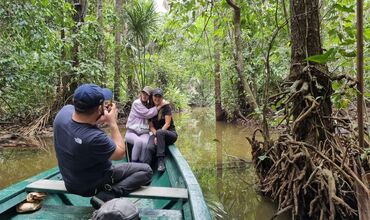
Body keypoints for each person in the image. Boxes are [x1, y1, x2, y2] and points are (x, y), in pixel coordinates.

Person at [53, 84, 153, 209]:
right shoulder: (95, 137)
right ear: (98, 109)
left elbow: (81, 122)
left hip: (70, 183)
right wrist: (112, 123)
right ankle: (109, 193)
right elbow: (120, 152)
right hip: (91, 187)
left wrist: (97, 119)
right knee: (146, 171)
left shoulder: (63, 113)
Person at [125, 86, 167, 164]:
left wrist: (163, 103)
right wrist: (159, 106)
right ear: (141, 93)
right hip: (131, 132)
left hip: (143, 132)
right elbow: (147, 114)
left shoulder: (149, 105)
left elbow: (161, 100)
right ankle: (133, 164)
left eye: (147, 94)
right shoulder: (136, 103)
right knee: (138, 142)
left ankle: (141, 163)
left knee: (145, 143)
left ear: (150, 96)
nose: (144, 96)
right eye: (143, 93)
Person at [147, 88, 178, 172]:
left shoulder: (166, 107)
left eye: (159, 96)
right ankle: (146, 167)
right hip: (157, 133)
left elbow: (167, 124)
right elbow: (151, 126)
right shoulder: (150, 109)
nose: (157, 98)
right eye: (155, 96)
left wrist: (158, 135)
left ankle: (160, 162)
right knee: (149, 147)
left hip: (170, 134)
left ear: (162, 98)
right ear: (152, 97)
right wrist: (156, 134)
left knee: (160, 132)